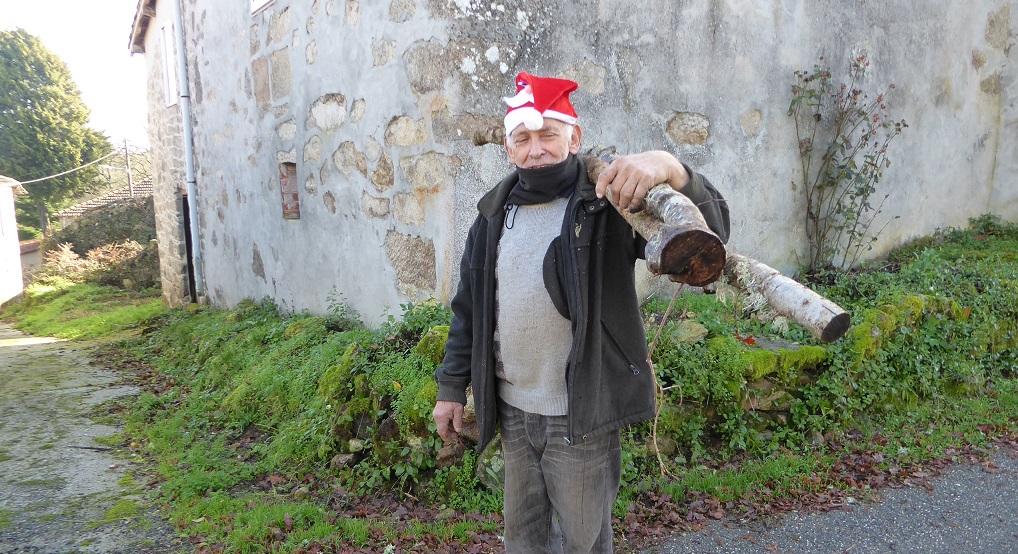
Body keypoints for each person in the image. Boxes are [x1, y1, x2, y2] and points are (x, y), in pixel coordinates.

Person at [432, 72, 730, 553]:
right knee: (522, 541)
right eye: (522, 139)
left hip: (580, 417)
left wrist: (672, 168)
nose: (536, 150)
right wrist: (451, 388)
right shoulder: (491, 218)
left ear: (574, 138)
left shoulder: (609, 205)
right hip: (512, 412)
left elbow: (709, 233)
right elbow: (467, 309)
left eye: (548, 135)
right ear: (508, 149)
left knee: (585, 542)